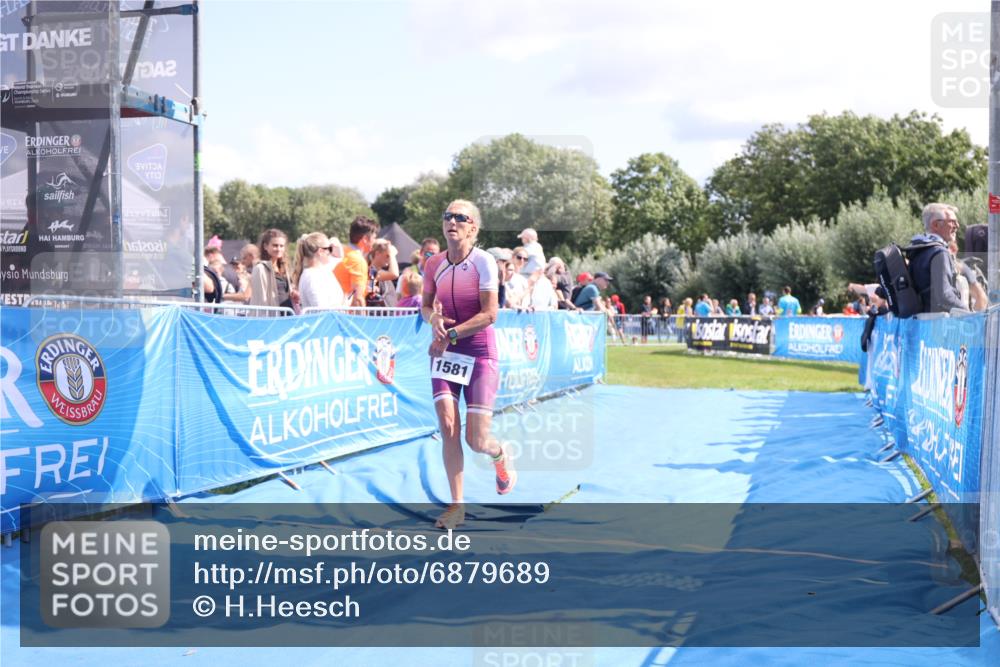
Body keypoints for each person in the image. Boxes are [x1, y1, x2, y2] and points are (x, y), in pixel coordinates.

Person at [422, 200, 515, 529]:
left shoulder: (484, 262)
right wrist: (433, 317)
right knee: (448, 426)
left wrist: (452, 333)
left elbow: (490, 314)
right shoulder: (434, 263)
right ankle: (456, 506)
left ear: (473, 228)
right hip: (445, 352)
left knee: (476, 441)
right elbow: (424, 306)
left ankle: (499, 455)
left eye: (461, 218)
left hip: (477, 351)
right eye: (448, 216)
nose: (453, 222)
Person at [908, 203, 970, 314]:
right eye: (952, 221)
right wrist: (969, 313)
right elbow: (944, 296)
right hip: (937, 325)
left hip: (920, 323)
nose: (957, 225)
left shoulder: (918, 250)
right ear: (936, 225)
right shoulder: (939, 252)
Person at [335, 216, 380, 307]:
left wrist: (366, 289)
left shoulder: (343, 252)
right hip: (347, 315)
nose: (375, 242)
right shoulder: (358, 261)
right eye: (374, 238)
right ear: (365, 239)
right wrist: (363, 320)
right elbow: (358, 299)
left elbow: (351, 289)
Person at [293, 232, 345, 311]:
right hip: (326, 322)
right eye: (329, 249)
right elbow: (320, 308)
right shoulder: (312, 277)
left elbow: (340, 257)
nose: (331, 253)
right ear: (320, 251)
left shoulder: (323, 270)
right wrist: (344, 305)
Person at [249, 229, 292, 315]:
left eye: (281, 246)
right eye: (275, 245)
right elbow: (260, 299)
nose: (279, 249)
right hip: (271, 318)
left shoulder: (284, 268)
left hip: (287, 315)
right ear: (265, 246)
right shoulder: (260, 268)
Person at [366, 238, 400, 307]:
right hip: (377, 316)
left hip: (386, 316)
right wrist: (392, 254)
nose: (389, 259)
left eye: (389, 256)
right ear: (377, 253)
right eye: (387, 255)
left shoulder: (377, 272)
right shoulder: (371, 271)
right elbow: (394, 274)